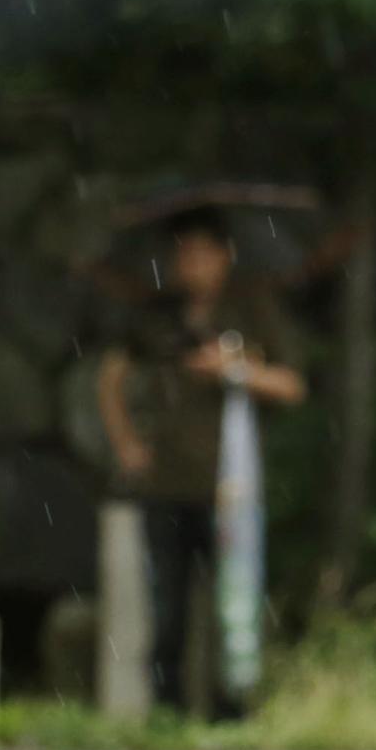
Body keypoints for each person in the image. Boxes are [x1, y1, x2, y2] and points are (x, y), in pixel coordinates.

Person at [97, 206, 307, 719]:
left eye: (199, 252)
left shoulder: (254, 311)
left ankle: (230, 710)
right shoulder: (156, 317)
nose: (188, 264)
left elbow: (292, 385)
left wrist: (234, 371)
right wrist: (126, 443)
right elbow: (111, 378)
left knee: (230, 599)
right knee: (166, 603)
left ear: (224, 256)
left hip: (231, 486)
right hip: (165, 482)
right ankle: (166, 711)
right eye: (180, 254)